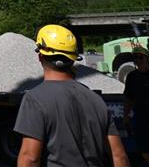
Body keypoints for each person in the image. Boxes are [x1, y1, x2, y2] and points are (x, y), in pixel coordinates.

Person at [14, 24, 129, 167]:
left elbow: (30, 159)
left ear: (40, 56)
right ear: (73, 59)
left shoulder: (35, 99)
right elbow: (119, 156)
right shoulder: (96, 100)